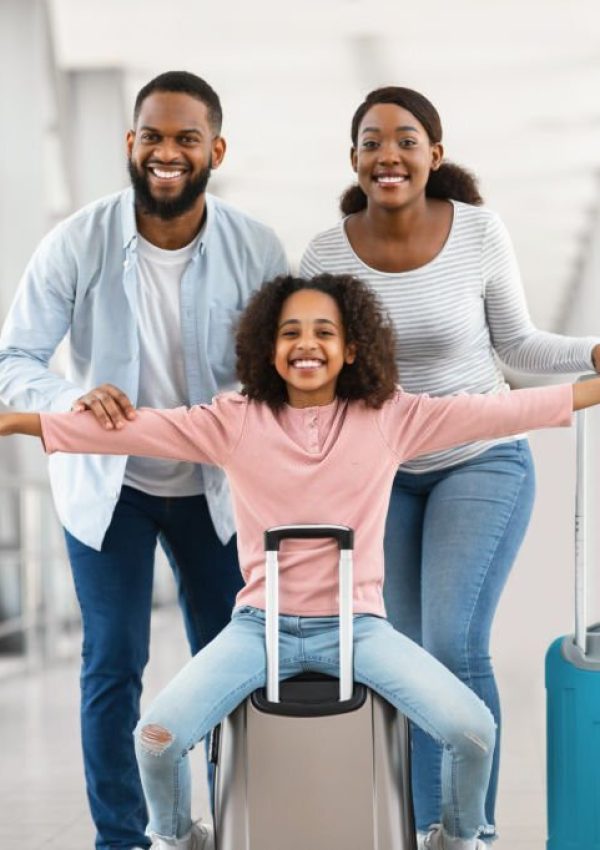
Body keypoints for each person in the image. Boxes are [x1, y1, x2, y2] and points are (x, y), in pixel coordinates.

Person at [2, 272, 597, 850]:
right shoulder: (232, 421)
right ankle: (181, 838)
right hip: (260, 627)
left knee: (473, 731)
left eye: (323, 332)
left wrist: (588, 387)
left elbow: (504, 411)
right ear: (269, 347)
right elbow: (125, 432)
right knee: (156, 739)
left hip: (359, 629)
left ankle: (457, 839)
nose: (306, 344)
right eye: (289, 333)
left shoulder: (392, 416)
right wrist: (18, 421)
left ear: (350, 349)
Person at [299, 86, 600, 842]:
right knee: (400, 656)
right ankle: (426, 825)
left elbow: (519, 346)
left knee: (451, 645)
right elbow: (315, 364)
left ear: (434, 154)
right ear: (355, 159)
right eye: (372, 141)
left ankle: (469, 830)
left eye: (405, 140)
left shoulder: (479, 232)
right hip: (383, 473)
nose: (388, 154)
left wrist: (591, 353)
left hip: (480, 460)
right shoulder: (326, 253)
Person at [0, 70, 287, 850]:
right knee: (112, 666)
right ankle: (122, 840)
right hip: (110, 486)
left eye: (185, 138)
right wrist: (70, 397)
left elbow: (287, 372)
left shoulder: (256, 247)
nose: (166, 151)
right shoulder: (78, 240)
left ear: (214, 149)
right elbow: (14, 357)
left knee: (232, 666)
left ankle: (236, 827)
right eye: (152, 136)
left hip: (216, 489)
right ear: (130, 143)